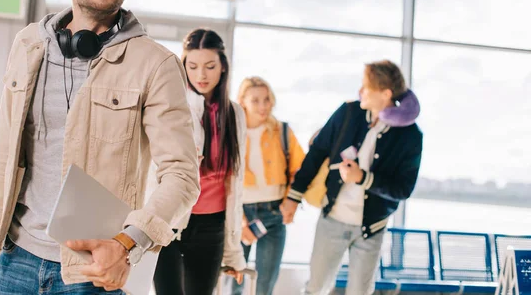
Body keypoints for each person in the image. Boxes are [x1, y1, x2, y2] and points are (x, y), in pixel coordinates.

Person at [0, 0, 200, 294]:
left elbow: (181, 175)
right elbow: (6, 142)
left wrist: (126, 245)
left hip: (93, 268)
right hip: (17, 257)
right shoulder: (29, 44)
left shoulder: (155, 64)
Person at [281, 60, 423, 295]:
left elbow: (403, 189)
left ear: (385, 93)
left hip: (371, 227)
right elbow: (317, 154)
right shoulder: (348, 113)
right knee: (315, 288)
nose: (360, 92)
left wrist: (363, 178)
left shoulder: (411, 136)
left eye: (366, 87)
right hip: (332, 219)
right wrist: (293, 198)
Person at [153, 28, 246, 295]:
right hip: (170, 217)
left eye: (210, 66)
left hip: (211, 224)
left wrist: (234, 254)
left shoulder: (235, 114)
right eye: (192, 66)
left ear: (223, 67)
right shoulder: (171, 105)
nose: (201, 75)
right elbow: (150, 164)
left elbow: (235, 185)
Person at [232, 77, 305, 295]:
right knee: (234, 283)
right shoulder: (231, 132)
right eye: (255, 100)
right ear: (242, 101)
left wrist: (292, 202)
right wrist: (239, 219)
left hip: (274, 214)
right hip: (239, 213)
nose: (263, 106)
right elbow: (224, 178)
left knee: (264, 286)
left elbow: (300, 171)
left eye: (267, 99)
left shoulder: (283, 131)